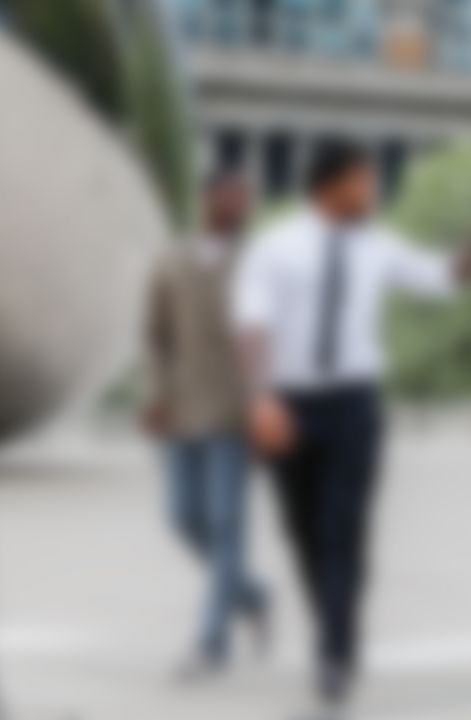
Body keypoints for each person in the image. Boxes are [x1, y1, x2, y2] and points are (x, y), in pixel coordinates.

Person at [232, 139, 471, 713]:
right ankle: (334, 629)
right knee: (302, 530)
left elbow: (448, 278)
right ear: (329, 185)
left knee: (345, 529)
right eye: (362, 181)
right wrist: (260, 399)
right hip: (288, 403)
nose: (371, 191)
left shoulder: (378, 246)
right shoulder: (274, 247)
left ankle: (334, 652)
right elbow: (251, 326)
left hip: (353, 406)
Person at [141, 170, 271, 682]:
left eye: (245, 196)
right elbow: (153, 334)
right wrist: (154, 394)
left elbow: (272, 340)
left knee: (225, 524)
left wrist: (267, 408)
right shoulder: (171, 260)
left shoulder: (261, 262)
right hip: (179, 411)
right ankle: (253, 595)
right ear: (207, 199)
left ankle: (210, 643)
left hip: (236, 416)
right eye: (229, 194)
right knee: (182, 519)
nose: (238, 204)